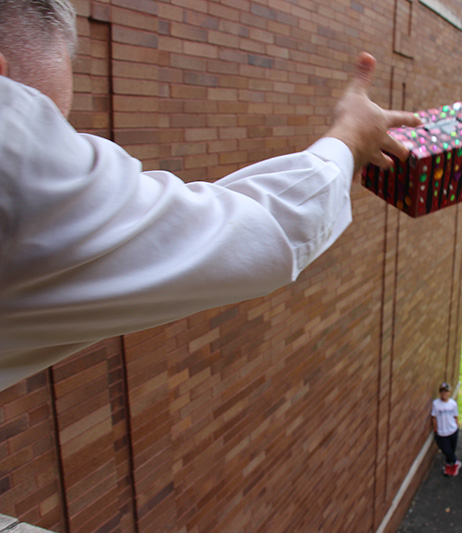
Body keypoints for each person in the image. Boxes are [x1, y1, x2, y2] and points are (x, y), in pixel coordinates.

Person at [0, 0, 421, 392]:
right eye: (49, 125)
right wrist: (350, 136)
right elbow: (257, 233)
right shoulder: (11, 146)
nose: (60, 145)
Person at [431, 382, 460, 476]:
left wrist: (457, 427)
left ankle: (448, 466)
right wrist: (435, 429)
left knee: (451, 450)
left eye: (446, 392)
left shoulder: (453, 404)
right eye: (442, 392)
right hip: (441, 432)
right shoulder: (436, 404)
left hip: (452, 430)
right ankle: (456, 463)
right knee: (446, 450)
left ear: (449, 393)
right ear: (440, 393)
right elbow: (434, 417)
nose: (444, 394)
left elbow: (455, 416)